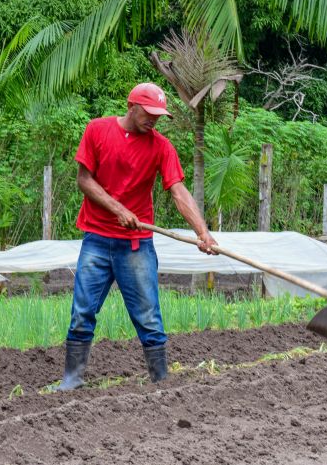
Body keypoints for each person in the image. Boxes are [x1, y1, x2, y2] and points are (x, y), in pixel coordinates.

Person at [57, 83, 217, 390]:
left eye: (160, 115)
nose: (155, 120)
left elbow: (178, 191)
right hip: (97, 240)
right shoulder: (97, 130)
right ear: (132, 106)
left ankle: (161, 381)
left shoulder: (161, 147)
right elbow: (84, 180)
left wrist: (203, 233)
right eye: (150, 112)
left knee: (148, 317)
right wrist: (118, 209)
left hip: (135, 245)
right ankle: (71, 380)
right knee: (82, 311)